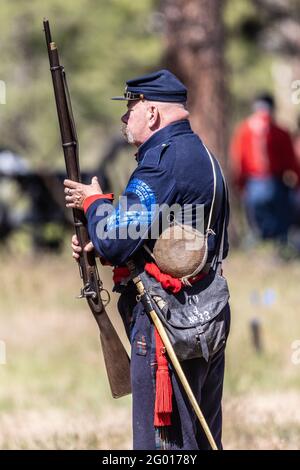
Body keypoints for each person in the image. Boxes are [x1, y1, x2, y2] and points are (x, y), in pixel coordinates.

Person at [64, 69, 230, 450]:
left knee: (162, 447)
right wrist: (105, 247)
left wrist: (94, 205)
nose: (125, 117)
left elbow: (114, 240)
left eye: (130, 107)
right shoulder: (198, 153)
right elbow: (175, 234)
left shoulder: (162, 163)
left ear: (152, 113)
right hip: (202, 315)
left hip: (166, 320)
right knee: (199, 441)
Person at [230, 93, 300, 243]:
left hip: (265, 182)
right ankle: (275, 244)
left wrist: (239, 184)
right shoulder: (275, 131)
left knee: (266, 222)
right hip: (265, 183)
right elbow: (290, 161)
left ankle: (272, 244)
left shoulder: (245, 130)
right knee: (274, 222)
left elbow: (239, 160)